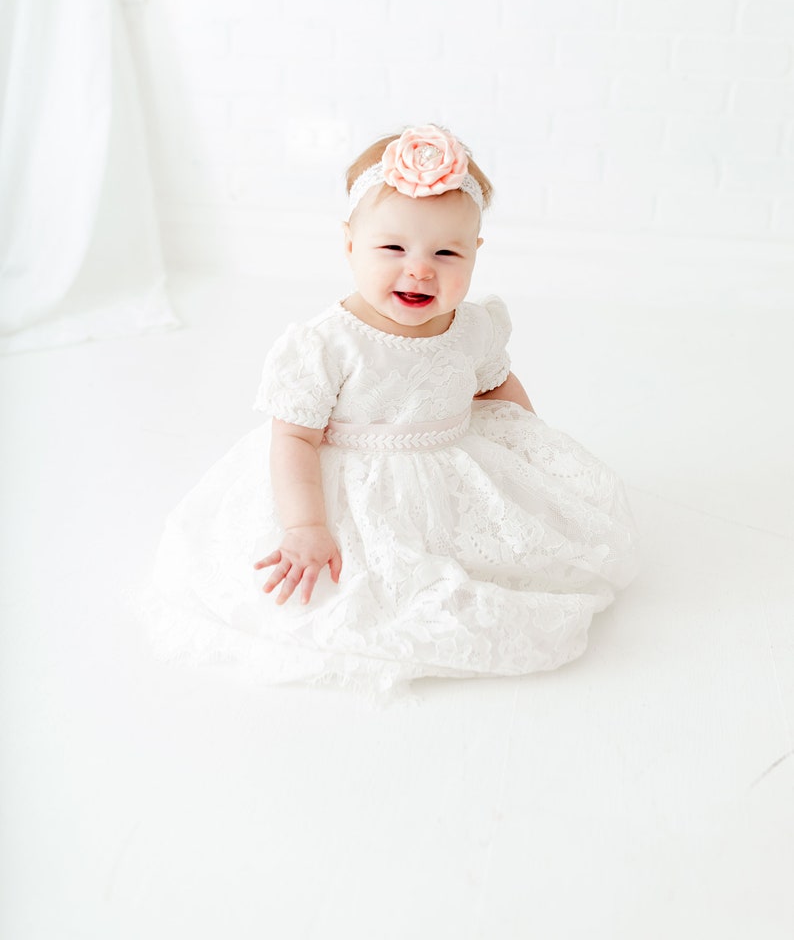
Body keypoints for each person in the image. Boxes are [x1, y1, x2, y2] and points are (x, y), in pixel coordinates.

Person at [146, 125, 637, 699]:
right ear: (350, 243)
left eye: (446, 252)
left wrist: (534, 455)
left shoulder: (472, 325)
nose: (420, 269)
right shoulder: (327, 345)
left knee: (498, 554)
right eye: (393, 249)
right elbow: (295, 440)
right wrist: (305, 525)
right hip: (348, 487)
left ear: (476, 252)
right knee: (369, 591)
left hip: (451, 472)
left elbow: (496, 387)